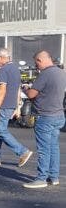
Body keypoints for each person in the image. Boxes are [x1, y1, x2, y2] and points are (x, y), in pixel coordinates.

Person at [22, 50, 66, 188]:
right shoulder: (61, 73)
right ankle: (53, 177)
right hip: (58, 115)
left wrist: (25, 88)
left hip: (45, 116)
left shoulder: (45, 74)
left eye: (36, 63)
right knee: (54, 147)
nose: (36, 66)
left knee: (44, 149)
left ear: (40, 60)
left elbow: (31, 94)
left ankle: (41, 178)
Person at [0, 48, 33, 167]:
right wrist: (17, 106)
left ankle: (23, 151)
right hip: (11, 104)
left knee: (0, 131)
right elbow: (18, 88)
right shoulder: (15, 69)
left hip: (3, 105)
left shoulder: (4, 70)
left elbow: (2, 90)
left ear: (2, 58)